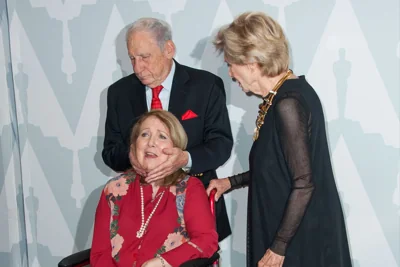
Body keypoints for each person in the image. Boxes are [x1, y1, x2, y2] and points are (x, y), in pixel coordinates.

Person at [207, 12, 352, 267]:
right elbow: (276, 168)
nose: (230, 74)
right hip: (290, 230)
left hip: (298, 240)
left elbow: (304, 183)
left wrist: (278, 248)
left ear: (252, 62)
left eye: (231, 64)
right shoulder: (286, 95)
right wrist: (229, 182)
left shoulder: (288, 103)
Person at [102, 17, 233, 242]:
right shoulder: (118, 93)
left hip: (195, 210)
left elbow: (220, 145)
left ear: (168, 49)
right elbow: (110, 152)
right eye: (132, 58)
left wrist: (185, 158)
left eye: (144, 57)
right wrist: (132, 155)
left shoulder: (206, 86)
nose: (137, 68)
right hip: (139, 214)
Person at [91, 110, 218, 267]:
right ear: (134, 145)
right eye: (144, 135)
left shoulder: (189, 188)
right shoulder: (114, 189)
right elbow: (100, 253)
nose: (151, 142)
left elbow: (206, 241)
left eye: (162, 137)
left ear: (176, 149)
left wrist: (163, 262)